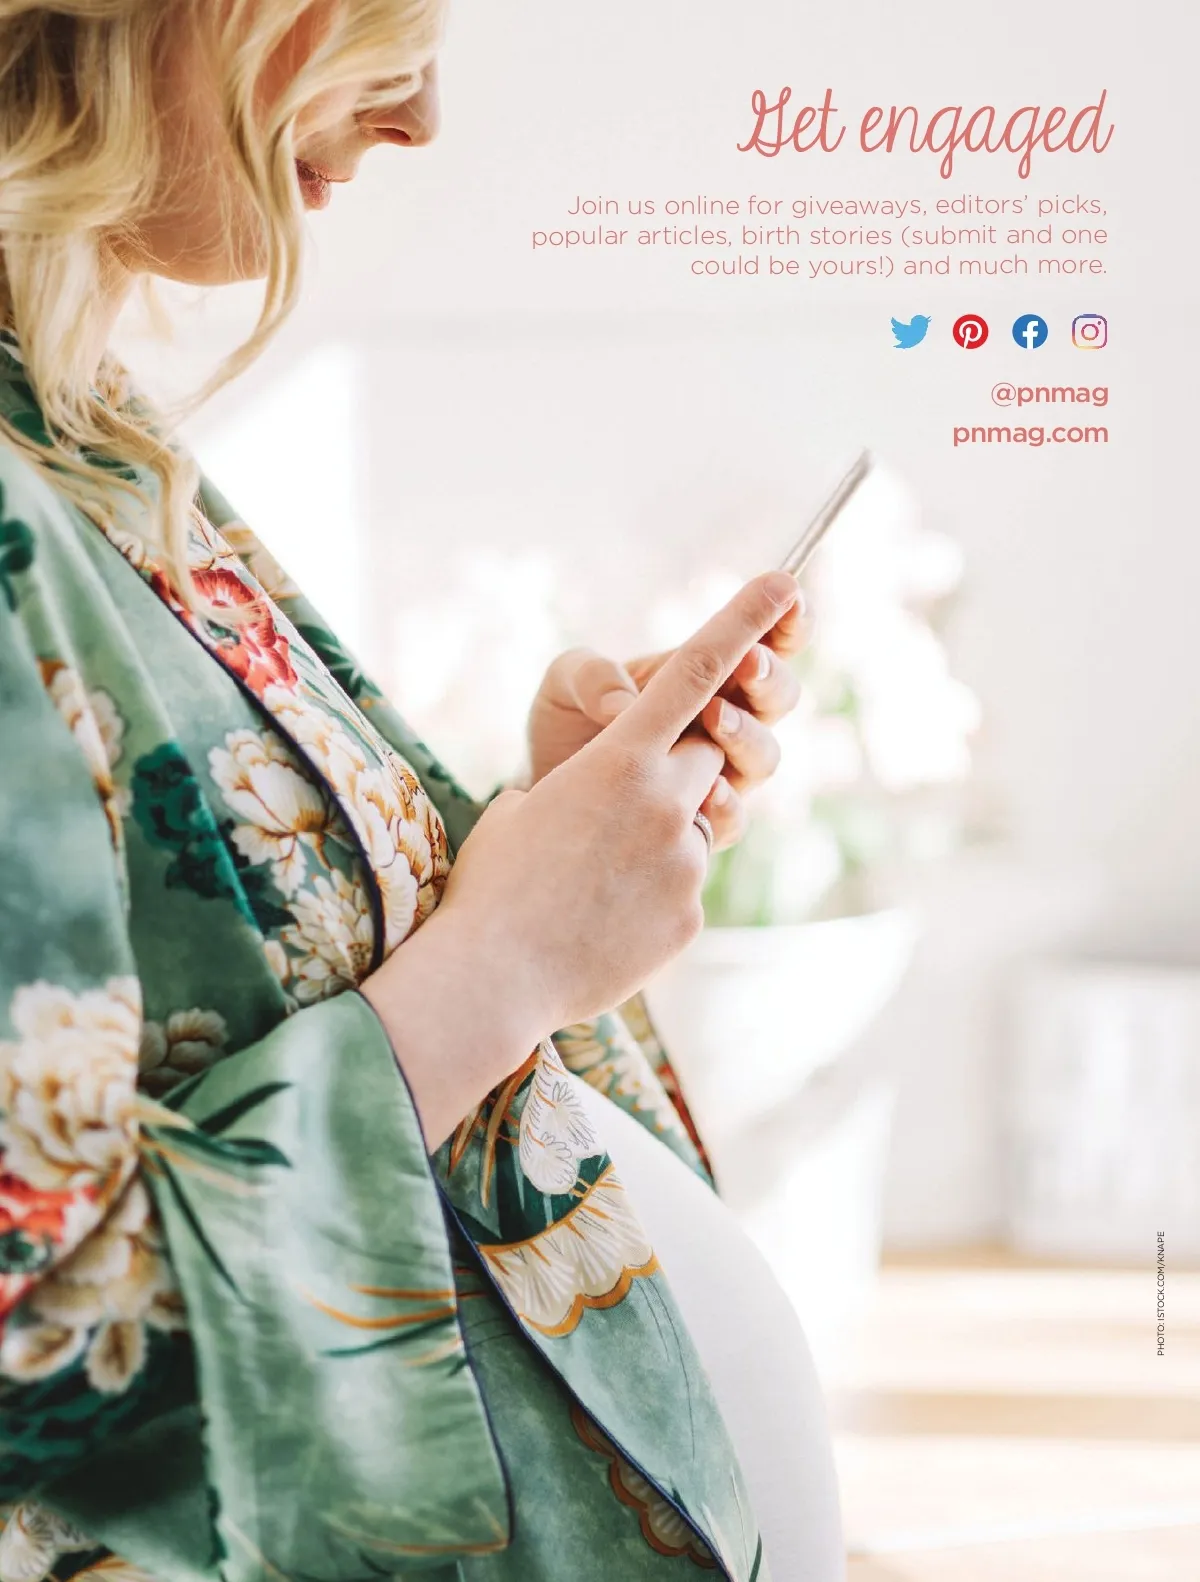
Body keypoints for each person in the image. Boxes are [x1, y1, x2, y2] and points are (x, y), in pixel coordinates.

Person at [0, 4, 843, 1579]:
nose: (422, 116)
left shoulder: (75, 424)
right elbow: (31, 1362)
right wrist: (508, 956)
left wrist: (549, 839)